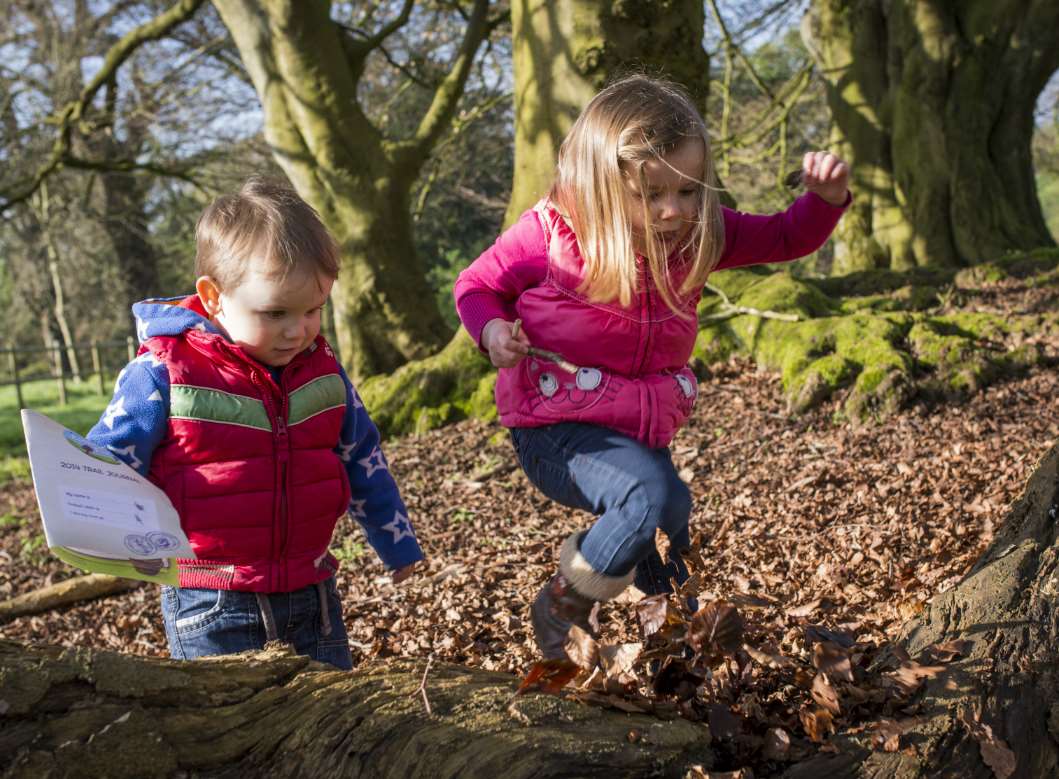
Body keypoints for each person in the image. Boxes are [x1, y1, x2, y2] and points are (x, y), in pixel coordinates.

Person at [453, 75, 850, 660]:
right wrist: (491, 331)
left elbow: (787, 236)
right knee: (641, 500)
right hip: (553, 425)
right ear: (601, 185)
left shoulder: (699, 233)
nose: (674, 210)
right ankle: (565, 601)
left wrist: (827, 199)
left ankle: (669, 641)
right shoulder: (550, 235)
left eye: (689, 191)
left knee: (671, 516)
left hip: (638, 423)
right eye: (651, 193)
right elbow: (477, 285)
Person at [88, 177, 422, 669]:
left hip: (313, 595)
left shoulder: (323, 373)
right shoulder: (164, 373)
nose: (298, 329)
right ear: (214, 296)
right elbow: (108, 461)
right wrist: (110, 537)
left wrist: (396, 543)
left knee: (326, 724)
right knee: (226, 730)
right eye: (276, 312)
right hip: (213, 601)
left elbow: (363, 457)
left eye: (314, 309)